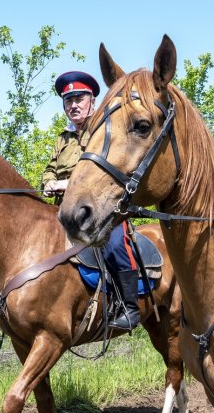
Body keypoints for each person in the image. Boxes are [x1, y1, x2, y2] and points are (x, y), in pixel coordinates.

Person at [41, 71, 141, 331]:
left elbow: (100, 168)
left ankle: (130, 307)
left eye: (79, 99)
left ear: (92, 102)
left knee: (115, 243)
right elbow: (50, 168)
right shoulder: (63, 139)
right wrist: (49, 182)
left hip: (101, 209)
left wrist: (69, 183)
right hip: (64, 210)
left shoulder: (103, 129)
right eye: (68, 101)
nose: (73, 105)